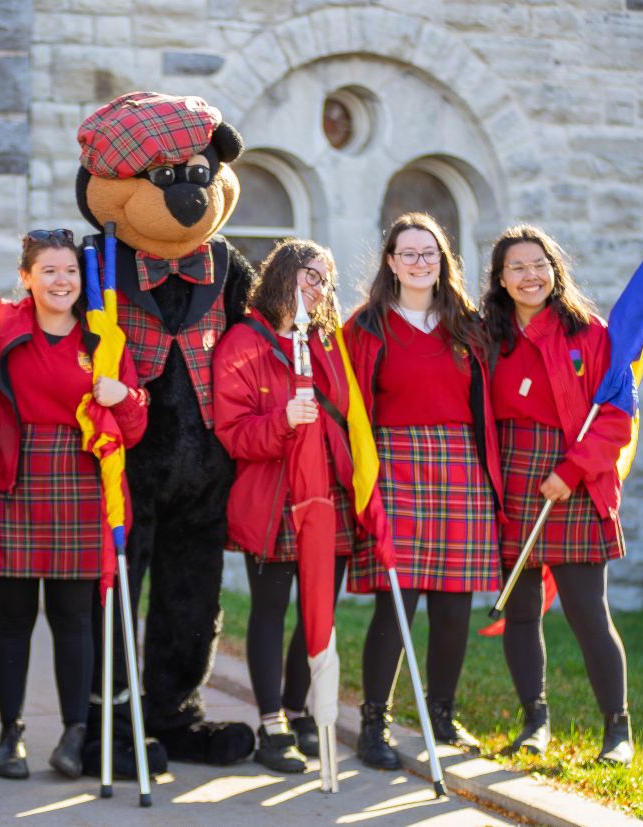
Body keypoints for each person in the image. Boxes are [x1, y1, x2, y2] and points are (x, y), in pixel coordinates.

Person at [0, 229, 148, 780]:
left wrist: (125, 398)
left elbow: (135, 426)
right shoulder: (0, 326)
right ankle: (10, 735)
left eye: (70, 271)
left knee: (75, 618)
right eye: (48, 270)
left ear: (84, 278)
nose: (61, 281)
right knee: (14, 616)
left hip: (81, 479)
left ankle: (75, 736)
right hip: (15, 476)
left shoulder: (103, 338)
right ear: (25, 277)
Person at [344, 212, 502, 768]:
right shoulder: (364, 327)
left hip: (461, 467)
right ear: (390, 262)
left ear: (443, 260)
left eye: (429, 253)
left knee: (455, 605)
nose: (419, 262)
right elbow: (349, 407)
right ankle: (374, 725)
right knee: (397, 601)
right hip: (394, 467)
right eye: (407, 253)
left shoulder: (469, 324)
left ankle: (440, 714)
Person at [480, 225, 634, 765]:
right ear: (500, 279)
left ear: (555, 269)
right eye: (517, 268)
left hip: (574, 484)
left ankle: (618, 730)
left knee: (588, 614)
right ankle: (534, 723)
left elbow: (617, 417)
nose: (530, 276)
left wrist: (571, 471)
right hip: (512, 484)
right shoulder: (486, 338)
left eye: (538, 264)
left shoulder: (590, 334)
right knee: (521, 613)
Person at [213, 239, 358, 772]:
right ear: (280, 277)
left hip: (328, 496)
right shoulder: (243, 344)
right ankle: (272, 723)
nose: (315, 287)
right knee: (271, 610)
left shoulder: (328, 343)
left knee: (319, 608)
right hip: (272, 498)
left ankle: (299, 712)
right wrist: (282, 422)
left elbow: (349, 418)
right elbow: (233, 434)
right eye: (306, 275)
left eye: (323, 279)